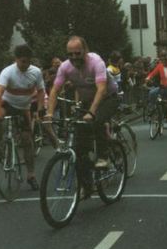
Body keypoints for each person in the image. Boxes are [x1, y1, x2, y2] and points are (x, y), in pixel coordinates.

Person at [46, 35, 119, 187]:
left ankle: (103, 156)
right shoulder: (65, 67)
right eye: (70, 54)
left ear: (85, 50)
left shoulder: (96, 62)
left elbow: (102, 89)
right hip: (87, 101)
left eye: (77, 53)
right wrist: (50, 114)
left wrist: (91, 113)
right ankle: (87, 184)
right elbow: (54, 91)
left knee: (97, 120)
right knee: (79, 146)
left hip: (108, 98)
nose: (74, 57)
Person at [0, 44, 45, 190]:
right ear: (16, 59)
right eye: (23, 61)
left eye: (28, 61)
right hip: (7, 104)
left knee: (27, 140)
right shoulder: (7, 72)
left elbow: (41, 91)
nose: (25, 64)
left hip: (23, 108)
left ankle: (31, 175)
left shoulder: (36, 72)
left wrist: (40, 109)